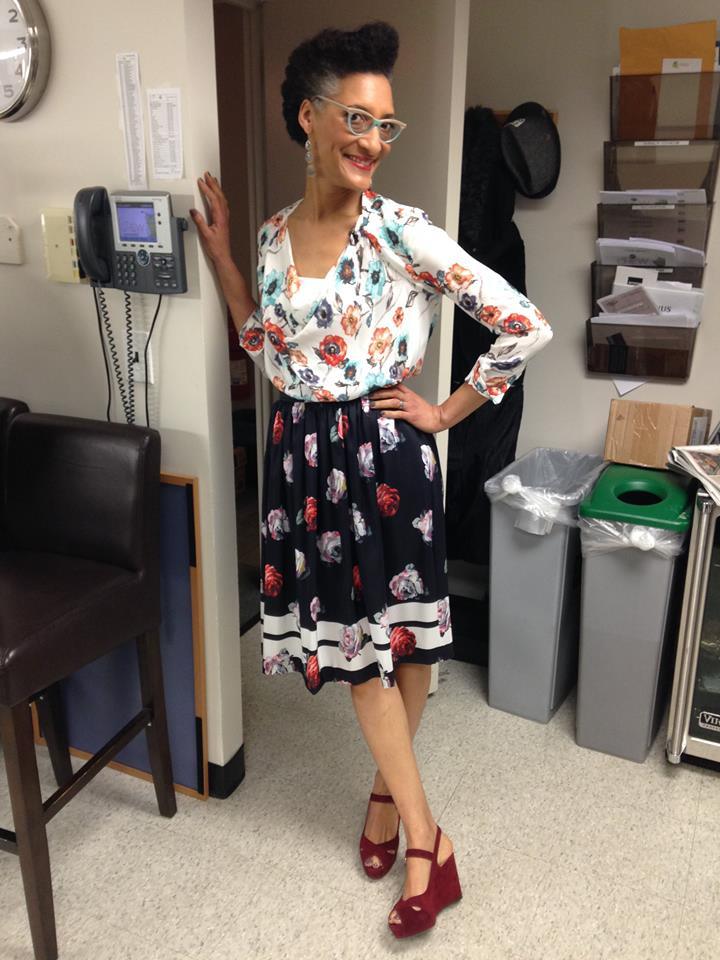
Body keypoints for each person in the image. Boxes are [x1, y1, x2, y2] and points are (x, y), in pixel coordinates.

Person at [191, 20, 552, 940]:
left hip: (385, 457)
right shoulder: (274, 236)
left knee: (397, 650)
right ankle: (392, 804)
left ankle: (426, 838)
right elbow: (265, 344)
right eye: (357, 117)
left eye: (386, 124)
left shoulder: (399, 231)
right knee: (373, 651)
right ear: (307, 117)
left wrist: (446, 412)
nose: (374, 140)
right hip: (306, 461)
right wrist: (225, 258)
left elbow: (522, 324)